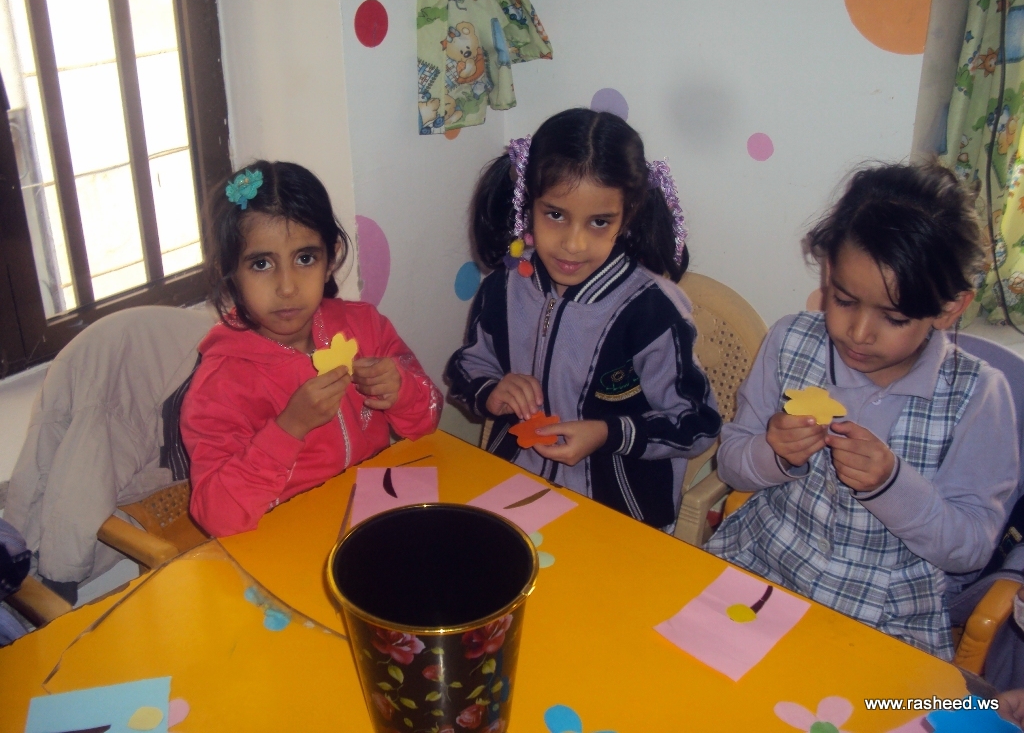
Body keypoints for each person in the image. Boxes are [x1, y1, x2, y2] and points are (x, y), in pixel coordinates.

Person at [704, 162, 1019, 659]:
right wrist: (774, 453)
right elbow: (731, 463)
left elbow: (970, 548)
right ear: (829, 272)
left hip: (888, 615)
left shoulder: (979, 396)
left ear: (949, 308)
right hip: (764, 567)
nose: (859, 333)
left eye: (893, 318)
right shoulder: (790, 341)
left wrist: (893, 485)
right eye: (845, 300)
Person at [445, 108, 721, 531]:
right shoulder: (505, 286)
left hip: (621, 514)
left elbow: (697, 424)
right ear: (528, 203)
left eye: (599, 222)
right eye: (555, 214)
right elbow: (467, 366)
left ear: (627, 215)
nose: (573, 244)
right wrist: (491, 390)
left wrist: (607, 433)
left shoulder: (653, 312)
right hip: (514, 486)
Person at [181, 161, 442, 536]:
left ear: (330, 257)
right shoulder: (221, 383)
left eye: (305, 258)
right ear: (230, 270)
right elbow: (217, 515)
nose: (287, 287)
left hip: (376, 519)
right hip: (285, 540)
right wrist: (290, 427)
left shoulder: (365, 326)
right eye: (261, 264)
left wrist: (401, 390)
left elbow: (428, 417)